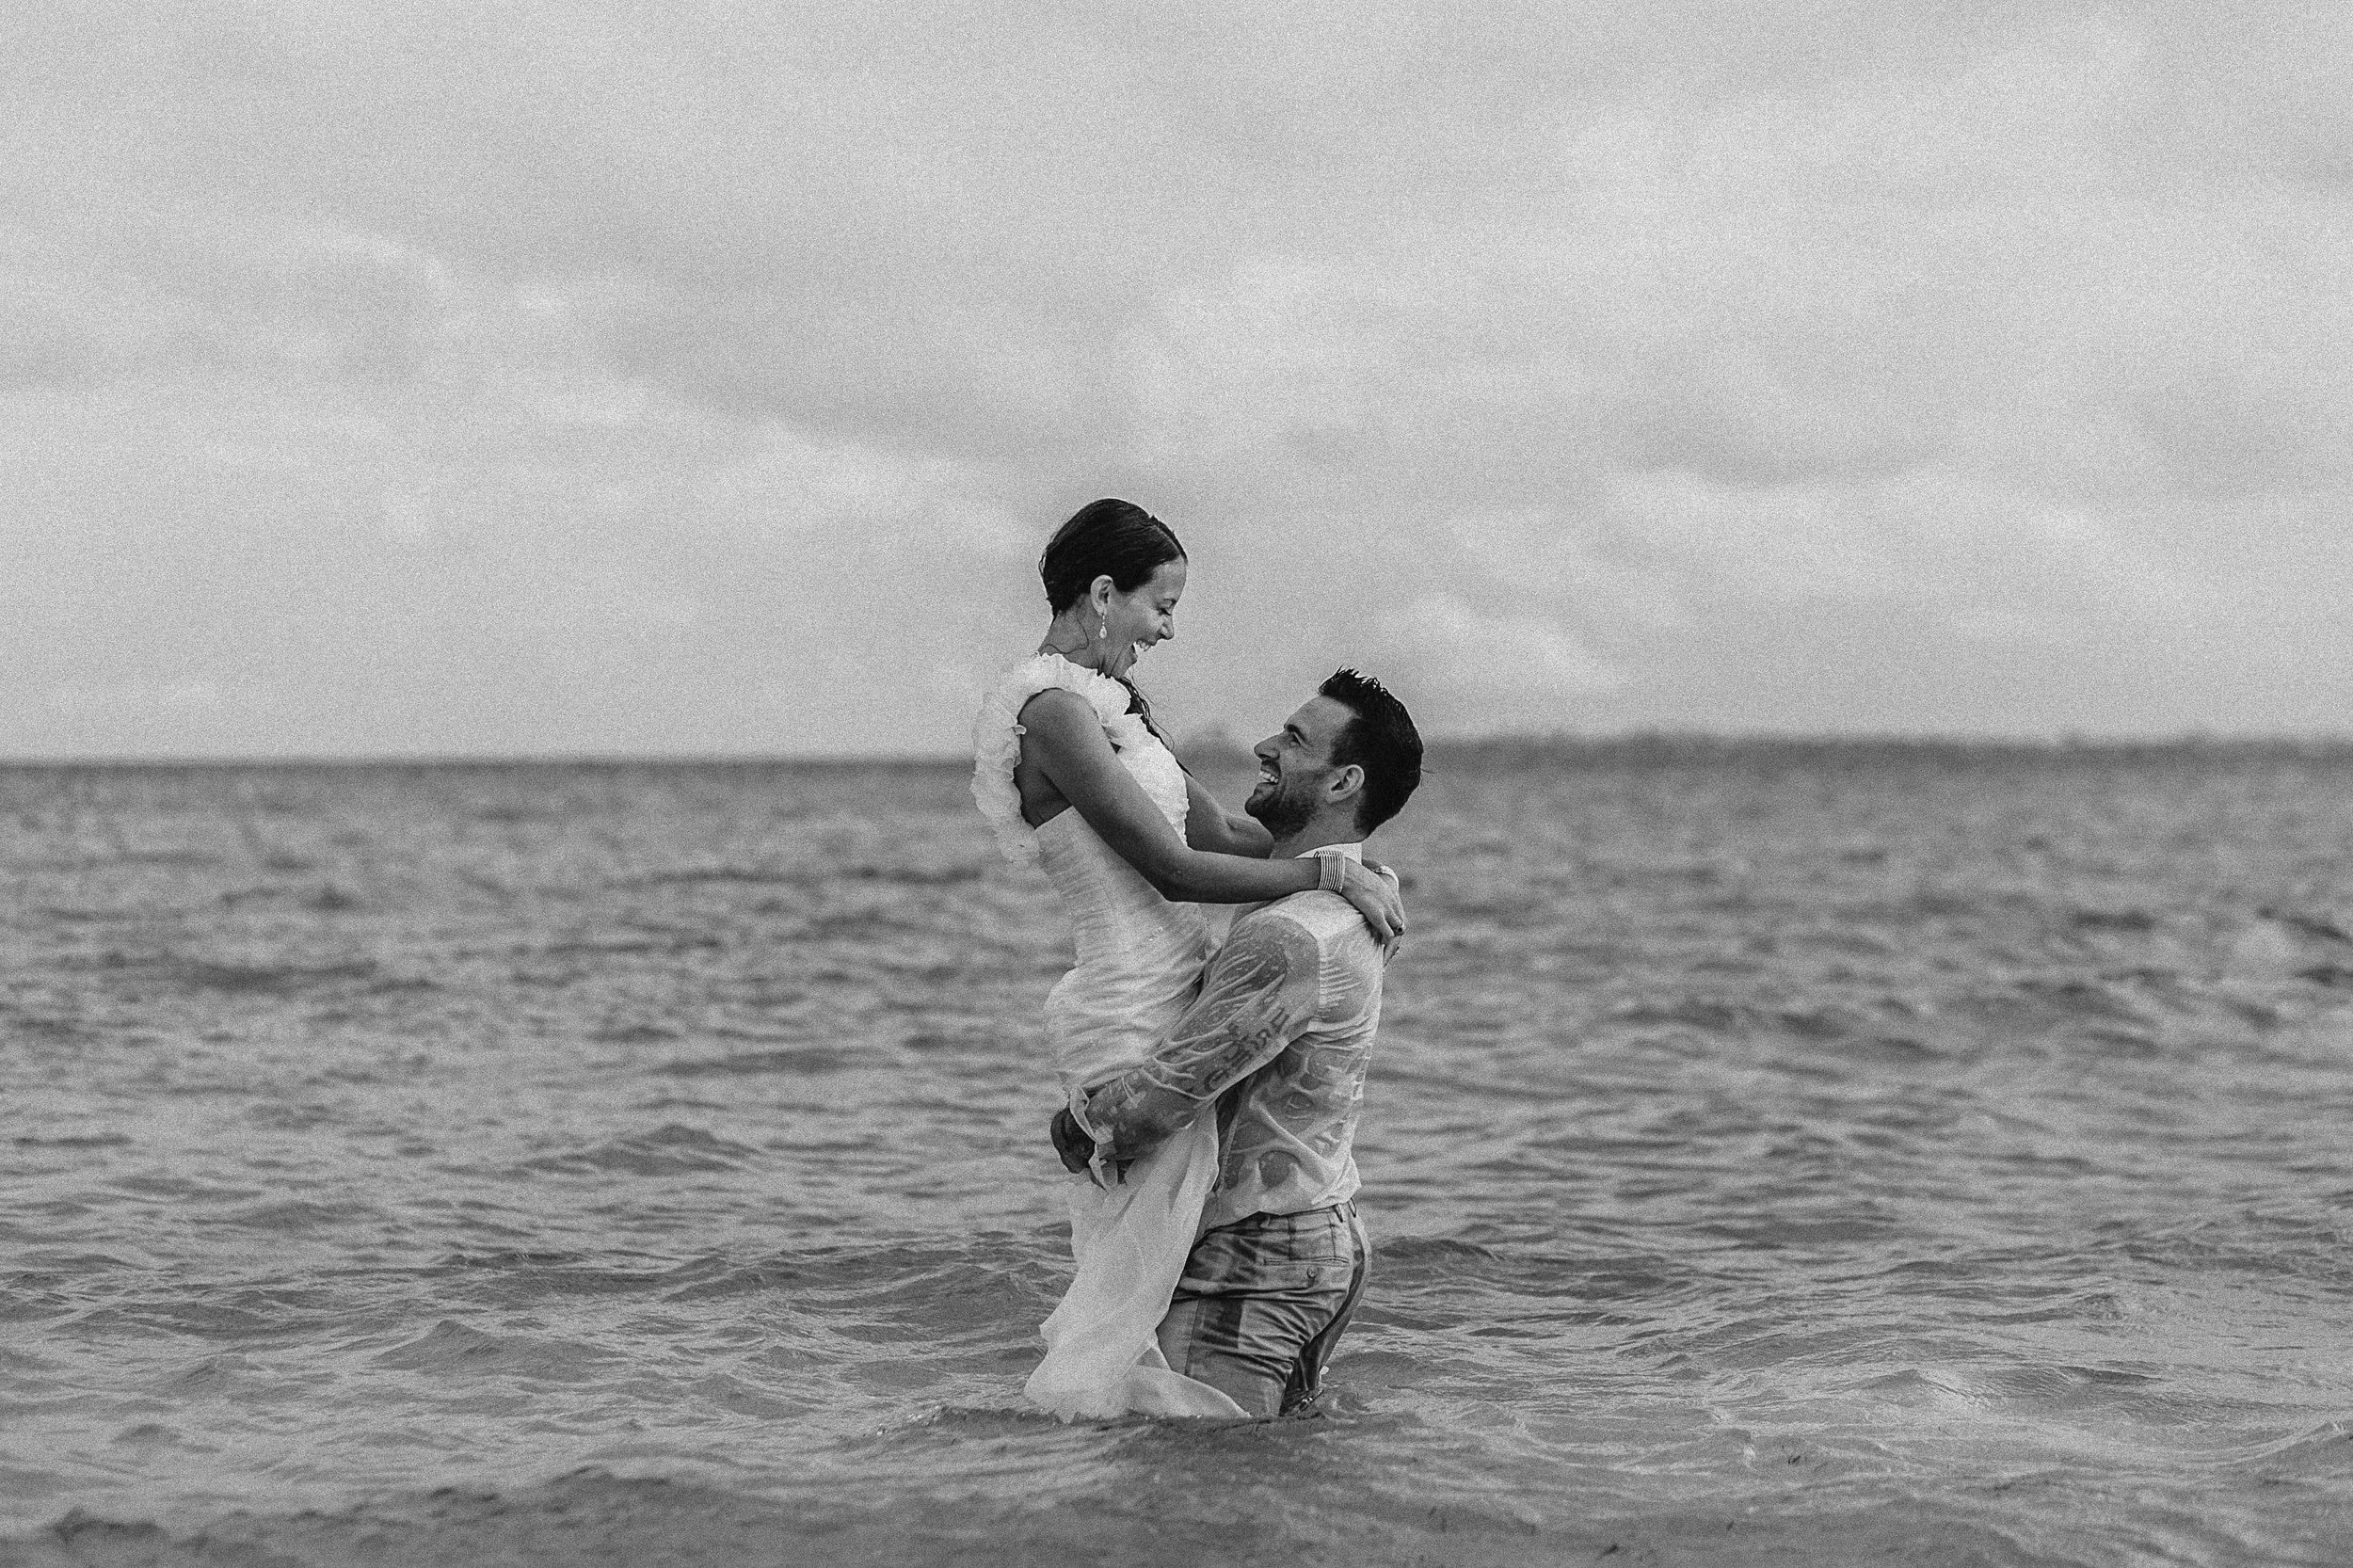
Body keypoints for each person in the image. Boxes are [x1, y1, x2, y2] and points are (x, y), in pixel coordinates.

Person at [970, 500, 1405, 1421]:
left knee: (1159, 1286)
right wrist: (1327, 865)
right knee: (1143, 1257)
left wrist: (1353, 862)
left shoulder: (1116, 705)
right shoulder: (1050, 712)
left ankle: (1123, 1473)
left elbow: (1217, 833)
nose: (1169, 627)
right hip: (1127, 988)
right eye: (1160, 604)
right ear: (1101, 594)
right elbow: (1169, 867)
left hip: (1176, 971)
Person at [1049, 669, 1422, 1417]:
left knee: (1200, 1503)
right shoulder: (1346, 892)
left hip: (1257, 1254)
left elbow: (1158, 1104)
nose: (1264, 745)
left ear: (1345, 780)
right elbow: (1208, 833)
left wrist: (1077, 1126)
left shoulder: (1290, 935)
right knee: (1260, 1491)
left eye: (1293, 740)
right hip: (1310, 1234)